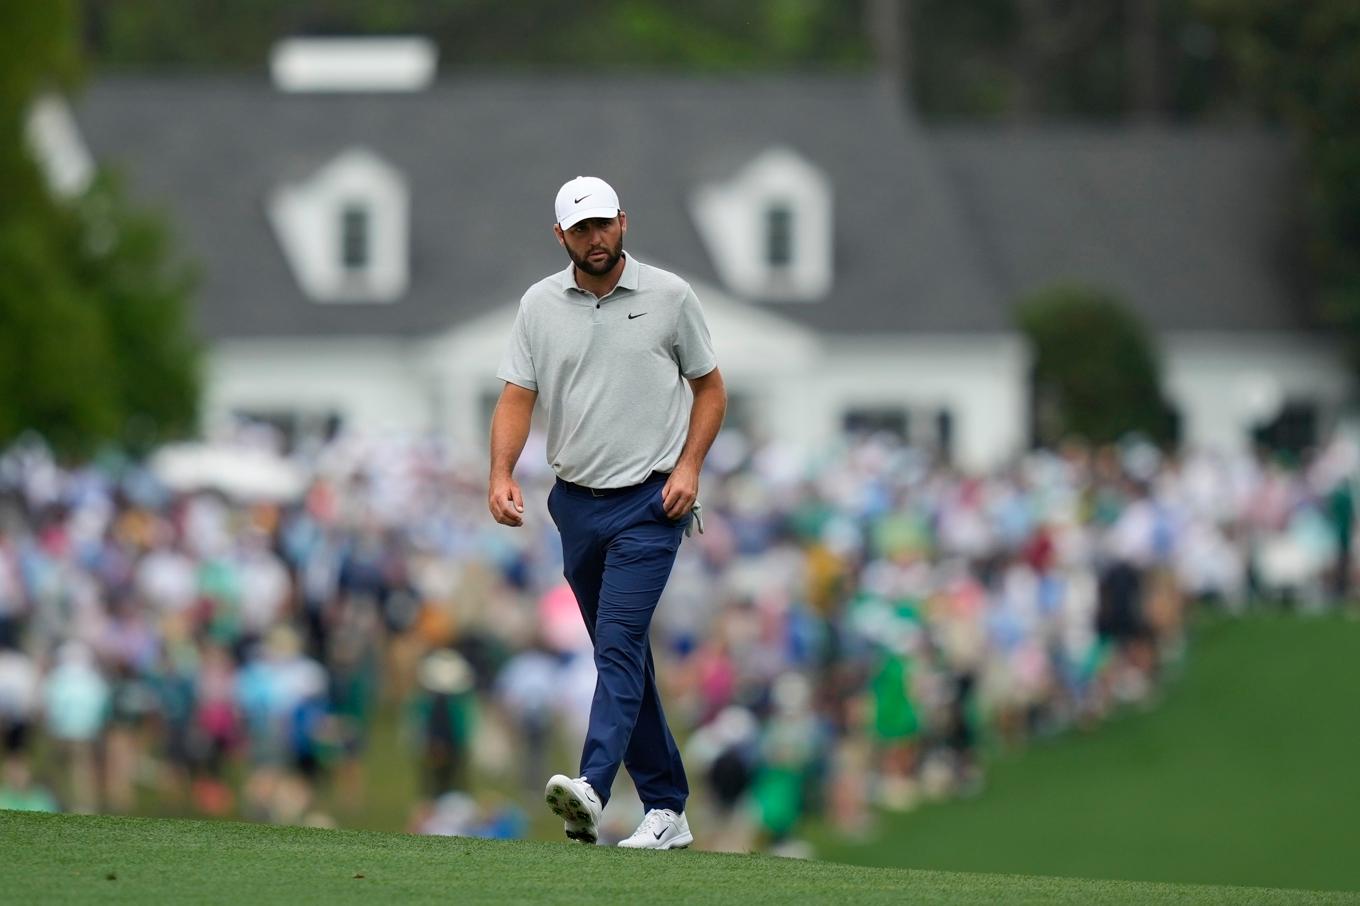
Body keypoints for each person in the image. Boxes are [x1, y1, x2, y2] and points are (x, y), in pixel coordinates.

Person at [488, 175, 726, 849]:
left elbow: (710, 391)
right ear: (561, 236)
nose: (596, 239)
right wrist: (501, 473)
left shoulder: (670, 297)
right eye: (581, 229)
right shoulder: (539, 305)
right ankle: (668, 809)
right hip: (576, 505)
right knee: (623, 657)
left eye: (604, 225)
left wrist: (689, 467)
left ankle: (592, 786)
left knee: (617, 648)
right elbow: (515, 397)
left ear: (623, 222)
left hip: (653, 502)